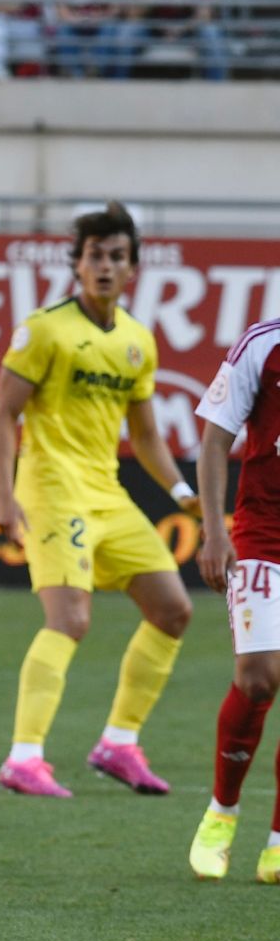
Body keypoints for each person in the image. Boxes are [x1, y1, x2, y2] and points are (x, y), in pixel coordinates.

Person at [0, 203, 196, 799]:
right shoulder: (45, 329)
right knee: (71, 619)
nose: (104, 266)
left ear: (132, 269)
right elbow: (4, 414)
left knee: (173, 610)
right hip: (52, 489)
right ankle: (24, 757)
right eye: (94, 256)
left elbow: (148, 435)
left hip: (107, 492)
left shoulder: (137, 340)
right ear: (77, 265)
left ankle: (119, 743)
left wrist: (182, 493)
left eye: (116, 257)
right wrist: (4, 496)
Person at [193, 320, 280, 884]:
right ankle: (222, 812)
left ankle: (277, 839)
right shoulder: (264, 343)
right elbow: (215, 439)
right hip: (262, 532)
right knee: (257, 677)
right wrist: (214, 532)